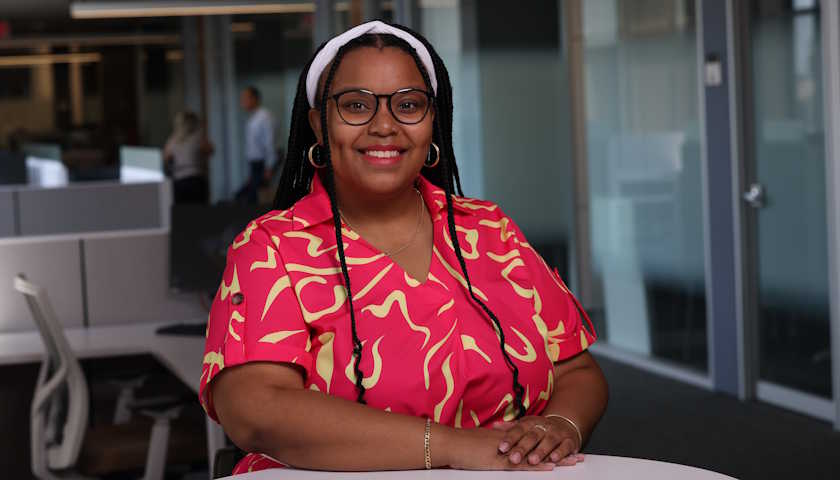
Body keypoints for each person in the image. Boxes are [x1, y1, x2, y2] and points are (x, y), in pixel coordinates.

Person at [200, 20, 608, 475]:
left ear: (433, 121)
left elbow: (578, 371)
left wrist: (561, 423)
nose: (384, 126)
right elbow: (254, 408)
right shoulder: (273, 247)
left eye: (408, 105)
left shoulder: (490, 232)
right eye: (356, 105)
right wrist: (452, 448)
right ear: (319, 123)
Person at [163, 111, 212, 203]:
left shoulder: (172, 140)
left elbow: (166, 159)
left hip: (179, 180)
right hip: (196, 179)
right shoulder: (198, 138)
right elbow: (210, 150)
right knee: (198, 210)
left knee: (183, 211)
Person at [238, 85, 276, 204]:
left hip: (262, 164)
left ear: (255, 98)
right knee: (247, 197)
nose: (242, 102)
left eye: (245, 98)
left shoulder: (264, 117)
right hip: (254, 165)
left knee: (256, 200)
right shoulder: (252, 118)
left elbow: (270, 142)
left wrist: (269, 167)